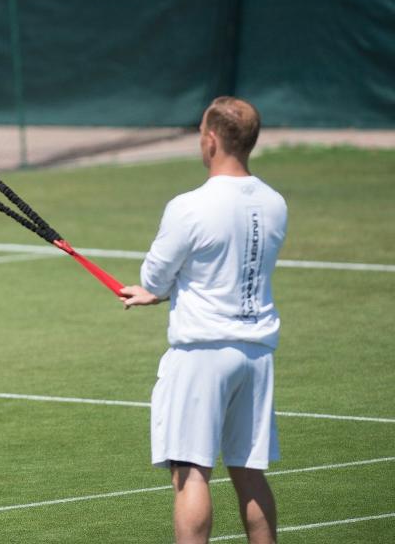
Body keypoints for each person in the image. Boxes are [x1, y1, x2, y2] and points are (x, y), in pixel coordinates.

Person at [119, 97, 287, 544]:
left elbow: (156, 275)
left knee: (190, 473)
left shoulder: (189, 205)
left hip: (203, 353)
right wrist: (161, 290)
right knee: (249, 474)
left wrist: (154, 290)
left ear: (210, 140)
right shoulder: (275, 202)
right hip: (257, 352)